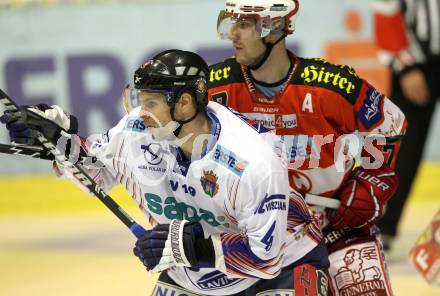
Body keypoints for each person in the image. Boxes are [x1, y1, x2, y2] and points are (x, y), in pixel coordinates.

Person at [1, 49, 329, 296]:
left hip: (285, 263)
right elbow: (96, 172)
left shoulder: (252, 160)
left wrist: (194, 249)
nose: (141, 113)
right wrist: (58, 141)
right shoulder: (135, 133)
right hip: (194, 274)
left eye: (151, 103)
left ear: (184, 104)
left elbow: (265, 258)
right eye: (140, 101)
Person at [208, 1, 407, 295]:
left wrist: (371, 181)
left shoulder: (332, 86)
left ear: (274, 28)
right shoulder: (213, 88)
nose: (233, 34)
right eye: (232, 23)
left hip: (336, 229)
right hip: (256, 237)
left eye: (245, 25)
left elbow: (390, 125)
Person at [373, 0, 440, 251]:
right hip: (416, 65)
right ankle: (382, 227)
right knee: (402, 150)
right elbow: (386, 10)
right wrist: (406, 66)